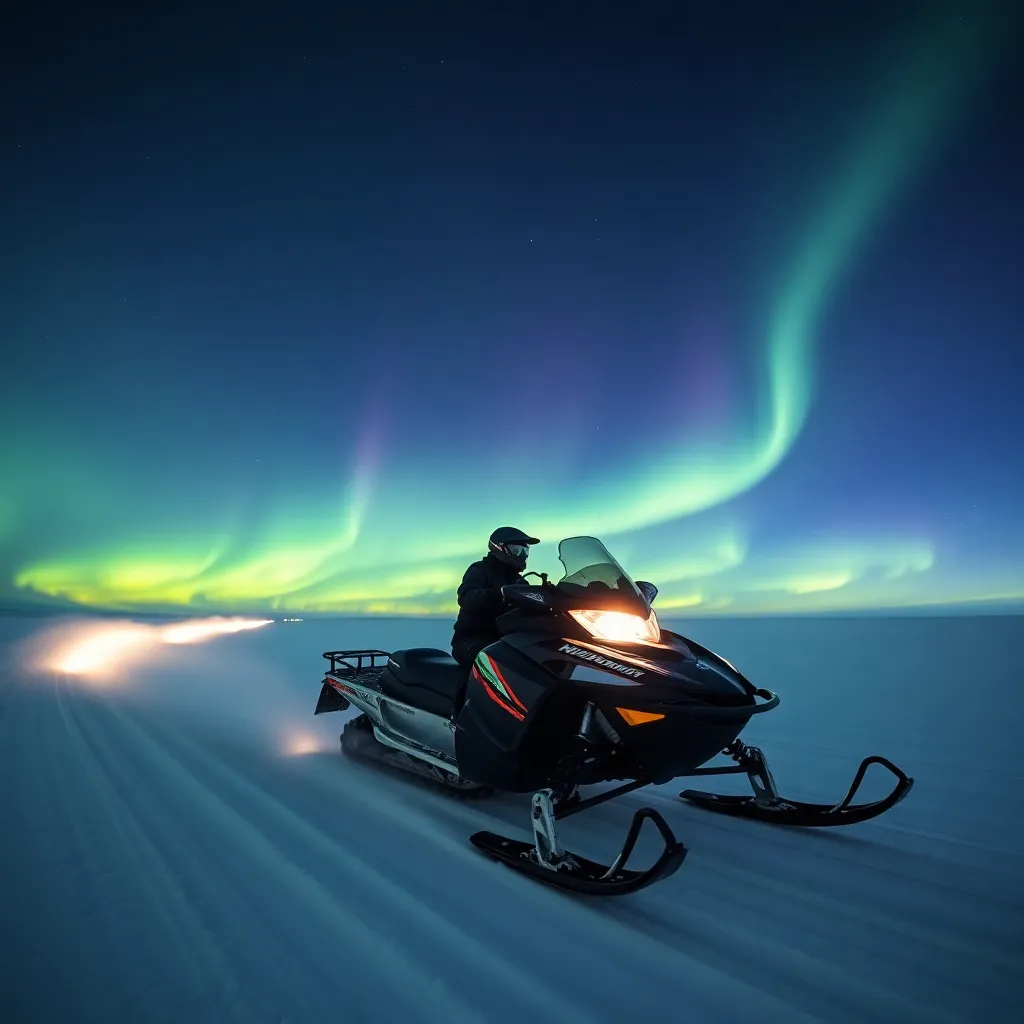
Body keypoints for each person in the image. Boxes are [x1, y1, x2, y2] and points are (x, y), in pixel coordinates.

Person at [451, 526, 540, 668]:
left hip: (506, 640)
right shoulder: (480, 570)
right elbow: (466, 596)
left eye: (525, 551)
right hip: (472, 639)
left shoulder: (520, 582)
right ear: (499, 548)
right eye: (517, 550)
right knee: (502, 664)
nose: (522, 556)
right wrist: (500, 594)